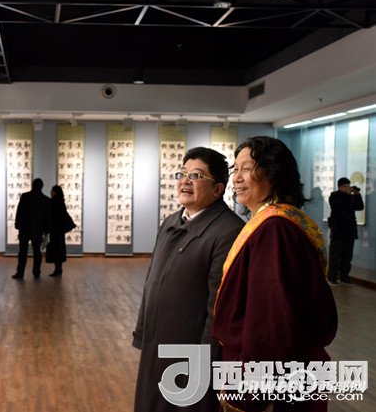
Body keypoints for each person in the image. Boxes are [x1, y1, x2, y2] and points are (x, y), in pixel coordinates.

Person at [211, 136, 338, 412]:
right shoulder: (278, 221)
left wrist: (246, 394)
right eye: (236, 169)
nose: (237, 178)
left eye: (247, 168)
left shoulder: (275, 229)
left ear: (272, 172)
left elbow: (270, 322)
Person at [132, 147, 245, 412]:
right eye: (182, 174)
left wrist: (204, 363)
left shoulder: (228, 231)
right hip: (156, 342)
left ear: (218, 189)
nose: (185, 181)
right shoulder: (171, 221)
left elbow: (219, 308)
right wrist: (142, 332)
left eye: (196, 176)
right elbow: (151, 282)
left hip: (188, 353)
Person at [327, 177, 364, 285]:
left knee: (347, 257)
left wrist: (357, 194)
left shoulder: (350, 197)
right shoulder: (334, 196)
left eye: (348, 186)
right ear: (339, 187)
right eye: (344, 186)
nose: (347, 188)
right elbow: (337, 206)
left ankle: (344, 277)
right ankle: (332, 278)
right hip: (338, 231)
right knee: (335, 256)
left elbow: (360, 207)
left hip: (350, 231)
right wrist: (347, 195)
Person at [12, 178, 50, 279]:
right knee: (37, 252)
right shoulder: (46, 200)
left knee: (22, 252)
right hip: (37, 229)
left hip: (24, 228)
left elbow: (19, 212)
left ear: (32, 185)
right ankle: (36, 272)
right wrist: (46, 231)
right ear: (42, 187)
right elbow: (47, 218)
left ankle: (20, 273)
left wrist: (17, 225)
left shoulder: (25, 196)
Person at [45, 185, 74, 277]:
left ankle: (57, 269)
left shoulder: (52, 202)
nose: (50, 192)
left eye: (52, 191)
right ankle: (59, 268)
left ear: (55, 192)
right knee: (59, 249)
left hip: (54, 230)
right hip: (60, 230)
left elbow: (50, 216)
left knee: (55, 249)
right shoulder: (61, 202)